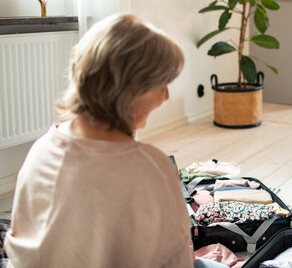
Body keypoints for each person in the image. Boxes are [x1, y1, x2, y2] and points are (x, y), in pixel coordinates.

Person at [5, 14, 225, 267]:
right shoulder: (151, 167)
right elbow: (175, 261)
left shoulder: (42, 147)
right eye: (162, 84)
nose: (166, 96)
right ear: (129, 89)